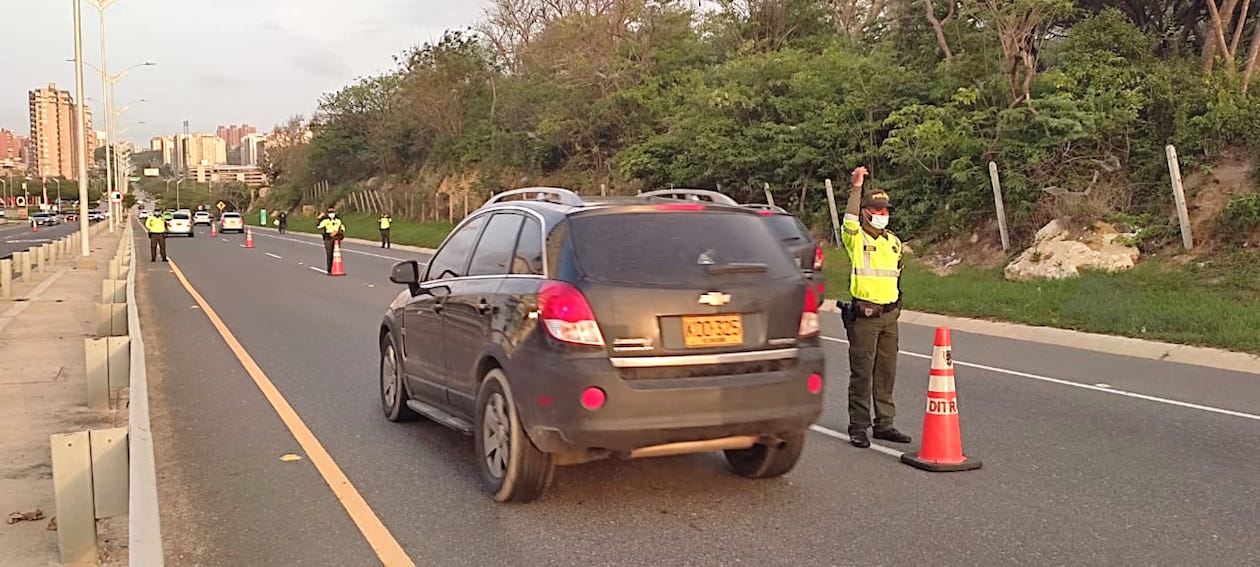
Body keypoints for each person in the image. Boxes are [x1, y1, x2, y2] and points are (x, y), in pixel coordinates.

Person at [840, 166, 911, 448]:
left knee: (886, 371)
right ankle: (858, 425)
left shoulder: (893, 241)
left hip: (889, 316)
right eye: (877, 211)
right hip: (865, 317)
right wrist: (857, 187)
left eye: (885, 211)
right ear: (866, 211)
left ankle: (885, 424)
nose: (882, 215)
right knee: (862, 372)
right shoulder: (857, 238)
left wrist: (896, 307)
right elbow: (848, 220)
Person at [316, 207, 344, 273]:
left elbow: (342, 227)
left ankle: (336, 268)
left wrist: (338, 232)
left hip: (336, 238)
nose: (332, 214)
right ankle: (329, 269)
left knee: (336, 254)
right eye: (330, 212)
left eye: (333, 212)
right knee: (329, 254)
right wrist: (319, 218)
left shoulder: (338, 220)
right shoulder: (325, 221)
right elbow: (318, 226)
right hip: (328, 238)